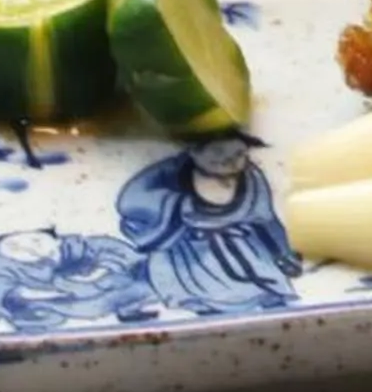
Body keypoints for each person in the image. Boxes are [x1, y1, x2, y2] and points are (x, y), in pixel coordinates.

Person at [113, 133, 300, 315]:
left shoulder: (251, 178)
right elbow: (131, 201)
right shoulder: (169, 174)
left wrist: (283, 253)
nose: (231, 161)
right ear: (194, 151)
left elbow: (266, 219)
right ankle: (202, 305)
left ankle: (269, 300)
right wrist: (178, 207)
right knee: (200, 282)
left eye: (239, 154)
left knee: (262, 273)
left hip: (242, 244)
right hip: (190, 250)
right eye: (219, 153)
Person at [0, 227, 160, 331]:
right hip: (49, 300)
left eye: (36, 240)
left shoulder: (74, 246)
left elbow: (117, 252)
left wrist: (103, 272)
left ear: (55, 238)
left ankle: (129, 309)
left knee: (140, 286)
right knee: (41, 312)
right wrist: (47, 294)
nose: (29, 248)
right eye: (13, 247)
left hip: (95, 287)